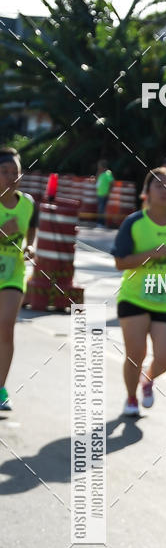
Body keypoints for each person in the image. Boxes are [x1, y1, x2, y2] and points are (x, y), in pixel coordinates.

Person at [111, 167, 166, 416]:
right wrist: (150, 255)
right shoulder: (134, 222)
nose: (165, 190)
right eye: (158, 185)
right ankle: (130, 398)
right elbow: (120, 262)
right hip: (134, 297)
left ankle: (148, 379)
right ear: (146, 192)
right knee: (135, 353)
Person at [0, 147, 37, 411]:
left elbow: (31, 230)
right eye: (4, 171)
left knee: (5, 327)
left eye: (16, 172)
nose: (11, 177)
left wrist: (30, 247)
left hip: (13, 274)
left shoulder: (28, 204)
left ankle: (1, 389)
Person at [96, 159, 114, 228]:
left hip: (104, 194)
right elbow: (97, 180)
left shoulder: (108, 173)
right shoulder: (101, 173)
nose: (98, 167)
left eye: (99, 165)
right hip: (99, 193)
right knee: (100, 209)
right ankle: (100, 222)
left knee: (102, 209)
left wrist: (109, 192)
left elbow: (112, 182)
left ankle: (101, 223)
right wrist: (98, 172)